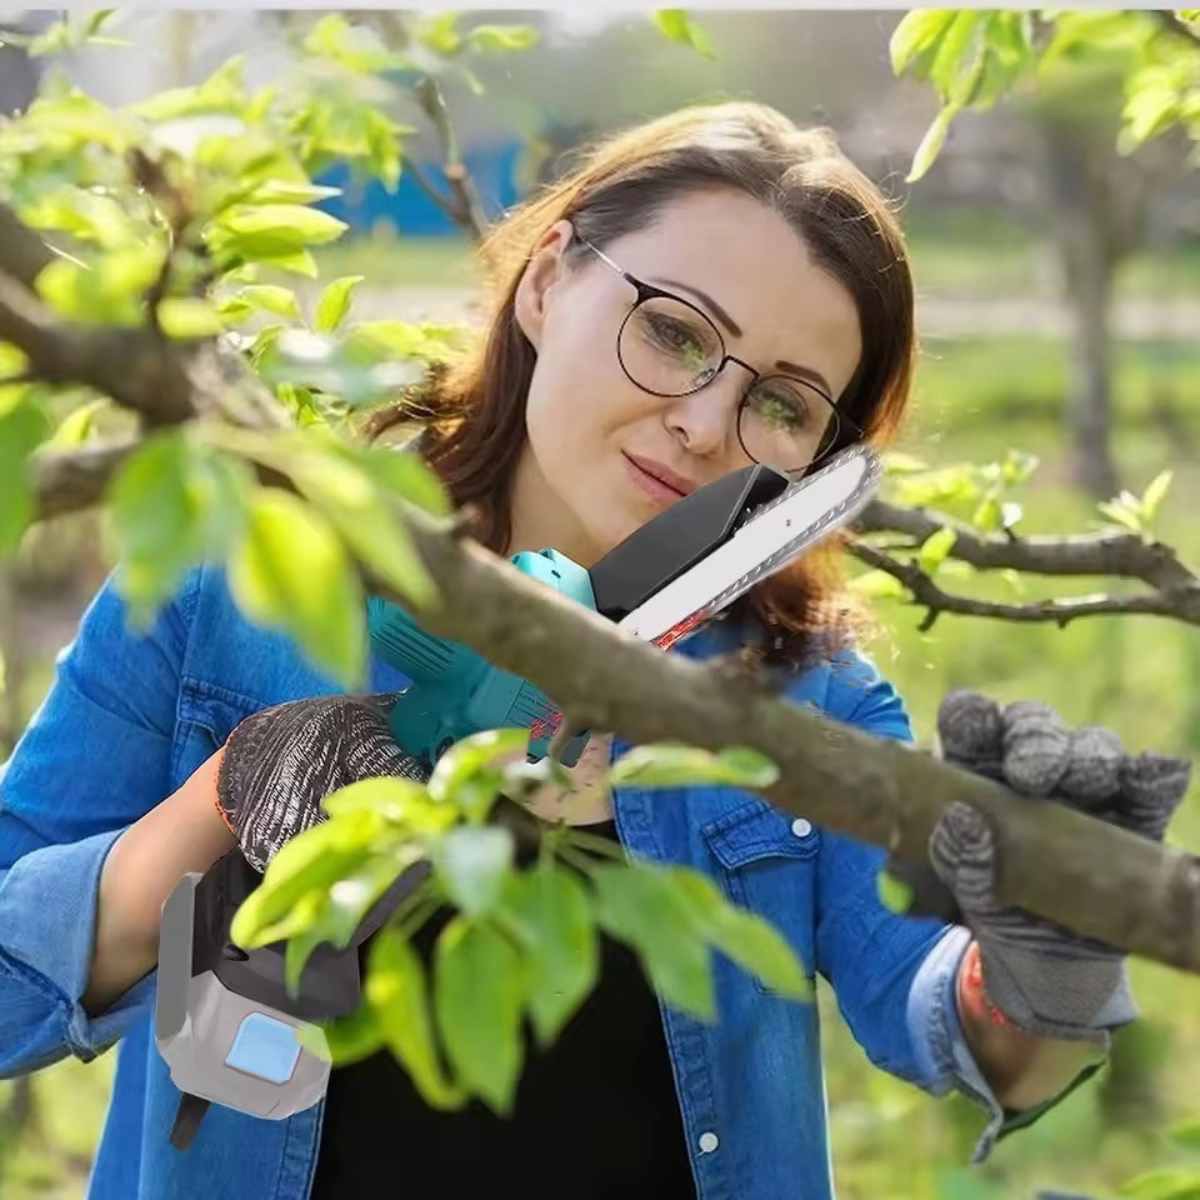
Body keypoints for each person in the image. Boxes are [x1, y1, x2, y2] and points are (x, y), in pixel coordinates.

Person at [0, 100, 1187, 1200]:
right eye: (674, 333)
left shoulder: (794, 694)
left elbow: (954, 1025)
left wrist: (1052, 951)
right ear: (549, 281)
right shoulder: (237, 587)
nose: (707, 424)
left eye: (782, 405)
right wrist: (244, 791)